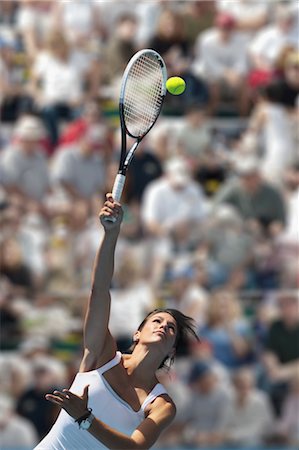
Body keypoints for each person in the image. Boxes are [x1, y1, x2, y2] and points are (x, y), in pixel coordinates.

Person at [34, 193, 199, 450]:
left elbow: (134, 449)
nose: (163, 327)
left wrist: (85, 418)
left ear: (172, 350)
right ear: (137, 333)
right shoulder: (102, 354)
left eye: (171, 328)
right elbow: (99, 290)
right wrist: (111, 235)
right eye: (156, 320)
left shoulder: (161, 405)